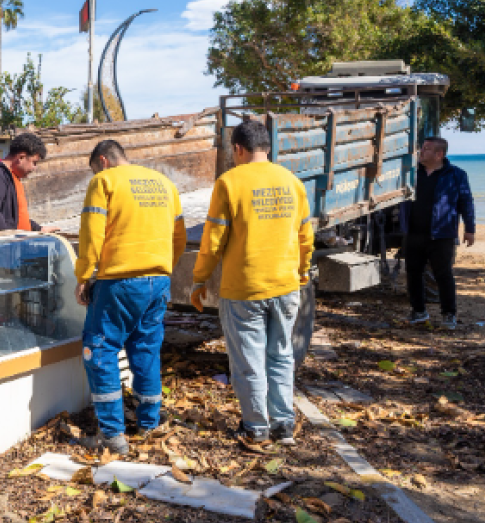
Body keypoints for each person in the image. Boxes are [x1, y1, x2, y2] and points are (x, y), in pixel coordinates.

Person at [191, 119, 314, 446]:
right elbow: (305, 236)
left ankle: (256, 426)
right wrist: (301, 273)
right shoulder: (292, 182)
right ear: (268, 148)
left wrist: (199, 279)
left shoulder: (229, 183)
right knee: (281, 355)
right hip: (286, 285)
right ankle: (283, 424)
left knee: (248, 361)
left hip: (244, 288)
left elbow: (213, 239)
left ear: (238, 149)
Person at [75, 139, 186, 455]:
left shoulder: (104, 181)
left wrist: (84, 276)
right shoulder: (165, 183)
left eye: (94, 168)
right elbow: (178, 236)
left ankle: (112, 435)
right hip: (158, 279)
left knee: (99, 348)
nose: (94, 174)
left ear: (103, 161)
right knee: (146, 348)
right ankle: (149, 424)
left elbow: (92, 234)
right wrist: (162, 267)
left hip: (120, 281)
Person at [400, 136, 476, 330]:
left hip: (441, 235)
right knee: (413, 274)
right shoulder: (411, 173)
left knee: (443, 275)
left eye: (426, 149)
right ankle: (418, 312)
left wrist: (469, 229)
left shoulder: (456, 175)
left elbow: (466, 202)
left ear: (439, 154)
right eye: (422, 148)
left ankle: (449, 315)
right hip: (413, 233)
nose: (421, 152)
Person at [0, 132, 60, 233]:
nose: (34, 168)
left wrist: (39, 229)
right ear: (21, 157)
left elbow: (14, 219)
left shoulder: (12, 177)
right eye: (34, 163)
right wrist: (10, 239)